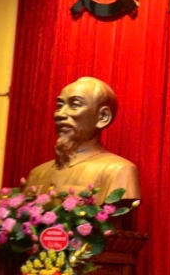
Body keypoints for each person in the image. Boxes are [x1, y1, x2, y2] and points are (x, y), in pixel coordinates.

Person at [25, 76, 141, 204]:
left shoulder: (119, 171)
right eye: (59, 106)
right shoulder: (37, 174)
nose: (60, 114)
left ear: (103, 117)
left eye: (75, 105)